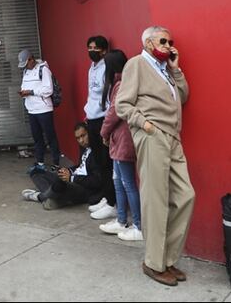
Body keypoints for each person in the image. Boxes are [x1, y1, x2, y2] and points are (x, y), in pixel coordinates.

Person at [116, 26, 193, 287]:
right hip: (153, 135)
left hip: (173, 137)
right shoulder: (136, 64)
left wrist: (176, 69)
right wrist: (145, 125)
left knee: (185, 196)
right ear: (149, 43)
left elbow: (182, 97)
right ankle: (153, 262)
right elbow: (122, 104)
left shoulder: (165, 70)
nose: (169, 45)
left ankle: (167, 258)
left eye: (170, 41)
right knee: (156, 199)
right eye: (163, 40)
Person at [99, 50, 141, 241]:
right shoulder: (121, 82)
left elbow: (115, 112)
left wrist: (104, 132)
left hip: (123, 139)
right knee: (118, 182)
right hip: (118, 140)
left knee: (128, 183)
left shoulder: (121, 83)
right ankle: (122, 220)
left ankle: (139, 226)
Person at [21, 122, 105, 209]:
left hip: (83, 187)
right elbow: (81, 166)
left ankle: (40, 197)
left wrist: (71, 178)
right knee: (36, 172)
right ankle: (54, 197)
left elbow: (97, 181)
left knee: (59, 184)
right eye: (78, 138)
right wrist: (69, 171)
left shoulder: (98, 152)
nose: (81, 141)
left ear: (89, 133)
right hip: (73, 178)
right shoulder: (84, 147)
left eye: (83, 136)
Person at [83, 35, 116, 221]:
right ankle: (107, 197)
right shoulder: (92, 68)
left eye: (95, 48)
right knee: (98, 161)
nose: (91, 51)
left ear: (104, 50)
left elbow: (109, 96)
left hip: (103, 119)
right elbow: (91, 94)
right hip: (92, 118)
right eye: (89, 47)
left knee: (107, 162)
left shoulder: (107, 68)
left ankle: (113, 203)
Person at [17, 49, 61, 174]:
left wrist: (31, 92)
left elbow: (48, 90)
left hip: (44, 109)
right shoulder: (26, 71)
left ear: (31, 59)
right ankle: (40, 163)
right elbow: (24, 86)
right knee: (37, 138)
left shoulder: (44, 70)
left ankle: (56, 163)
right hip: (31, 110)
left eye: (26, 63)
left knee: (50, 136)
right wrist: (23, 92)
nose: (25, 67)